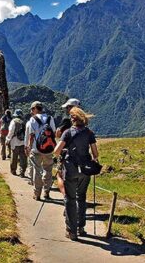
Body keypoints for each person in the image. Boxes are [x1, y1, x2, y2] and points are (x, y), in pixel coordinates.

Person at [53, 107, 98, 241]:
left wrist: (65, 151)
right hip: (85, 170)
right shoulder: (89, 133)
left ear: (73, 119)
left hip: (70, 170)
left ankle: (71, 231)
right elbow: (95, 154)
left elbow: (56, 151)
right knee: (81, 197)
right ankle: (81, 227)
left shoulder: (67, 133)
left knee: (70, 199)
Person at [25, 101, 56, 201]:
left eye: (31, 109)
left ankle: (37, 193)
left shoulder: (32, 120)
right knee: (48, 170)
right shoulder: (50, 118)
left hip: (36, 149)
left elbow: (31, 135)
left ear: (34, 109)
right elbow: (53, 132)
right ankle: (46, 192)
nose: (31, 111)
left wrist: (28, 147)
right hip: (48, 149)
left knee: (37, 171)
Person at [56, 98, 80, 195]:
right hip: (80, 153)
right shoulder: (83, 120)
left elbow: (57, 133)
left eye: (67, 107)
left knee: (60, 175)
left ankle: (67, 197)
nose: (66, 110)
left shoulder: (66, 120)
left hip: (66, 153)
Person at [6, 109, 27, 177]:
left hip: (14, 143)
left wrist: (8, 140)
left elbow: (11, 132)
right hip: (23, 142)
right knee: (23, 158)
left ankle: (13, 170)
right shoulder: (24, 122)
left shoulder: (13, 122)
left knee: (14, 158)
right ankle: (22, 172)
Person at [24, 107, 35, 185]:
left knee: (31, 164)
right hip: (46, 147)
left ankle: (32, 180)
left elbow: (28, 136)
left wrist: (26, 146)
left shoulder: (30, 122)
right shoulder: (48, 119)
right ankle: (46, 188)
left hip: (33, 147)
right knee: (45, 167)